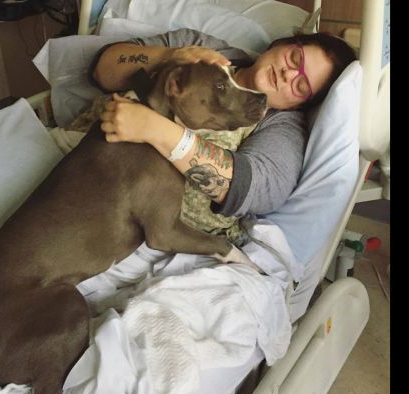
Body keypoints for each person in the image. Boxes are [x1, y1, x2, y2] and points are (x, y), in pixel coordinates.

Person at [89, 29, 356, 243]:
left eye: (300, 85)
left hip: (122, 215)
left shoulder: (283, 129)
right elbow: (103, 68)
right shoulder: (202, 48)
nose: (287, 73)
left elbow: (251, 191)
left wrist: (157, 130)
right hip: (79, 154)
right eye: (294, 59)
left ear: (298, 105)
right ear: (282, 44)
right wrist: (168, 56)